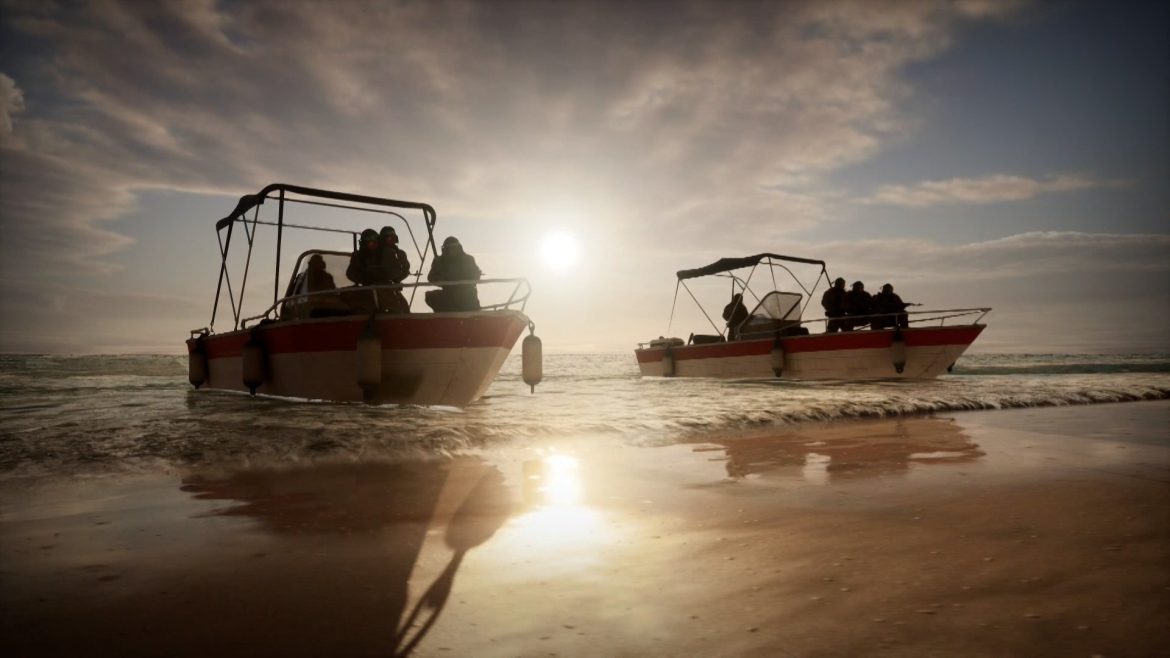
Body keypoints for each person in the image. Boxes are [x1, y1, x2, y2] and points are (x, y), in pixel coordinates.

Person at [425, 236, 482, 312]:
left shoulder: (468, 259)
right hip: (448, 293)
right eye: (448, 248)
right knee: (430, 296)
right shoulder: (438, 261)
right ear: (444, 249)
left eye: (454, 248)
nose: (451, 251)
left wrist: (462, 281)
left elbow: (476, 275)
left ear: (459, 248)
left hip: (467, 294)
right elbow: (431, 277)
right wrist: (445, 281)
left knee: (468, 300)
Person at [378, 226, 411, 313]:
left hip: (393, 288)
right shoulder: (376, 253)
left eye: (393, 237)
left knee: (403, 308)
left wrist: (396, 280)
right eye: (388, 237)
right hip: (376, 287)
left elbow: (405, 270)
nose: (391, 240)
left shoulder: (400, 253)